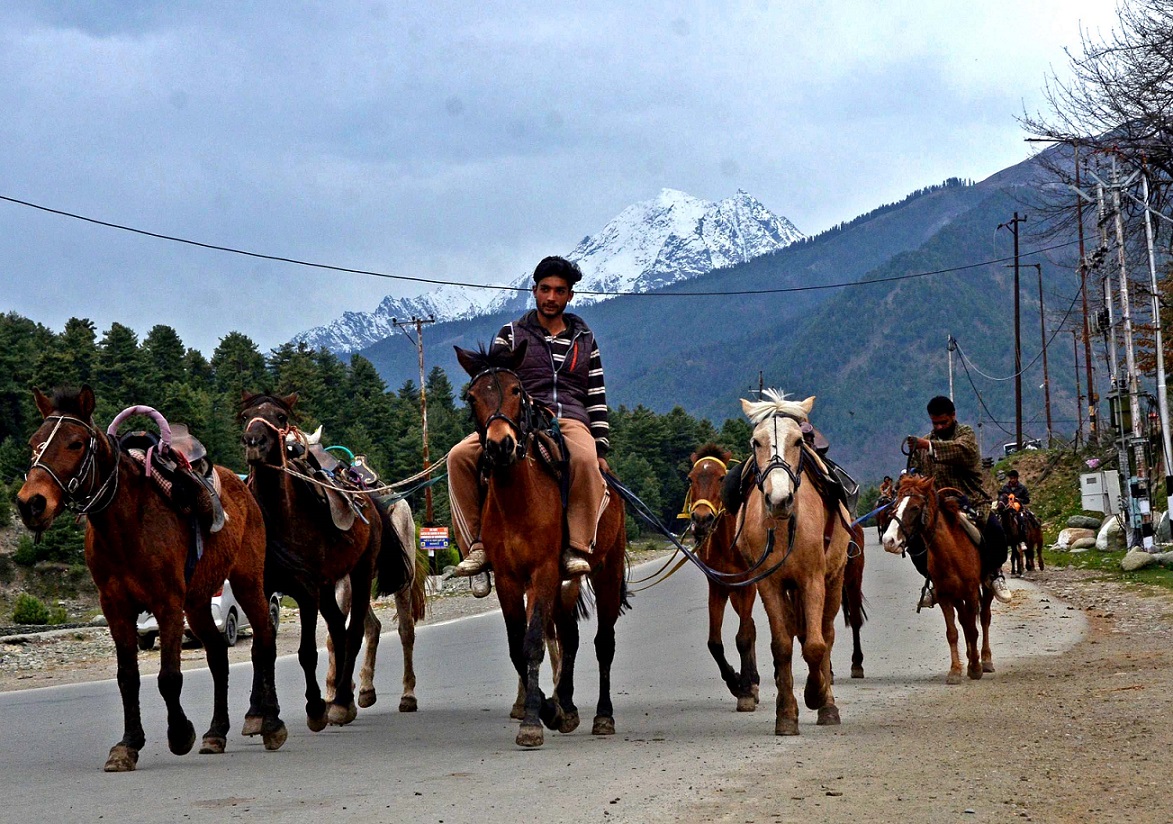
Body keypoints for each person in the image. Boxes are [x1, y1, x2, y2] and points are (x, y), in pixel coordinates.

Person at [447, 255, 611, 597]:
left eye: (559, 291)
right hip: (516, 416)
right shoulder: (511, 334)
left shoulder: (585, 339)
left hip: (569, 417)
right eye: (545, 289)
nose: (551, 297)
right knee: (458, 457)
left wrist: (600, 446)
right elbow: (493, 384)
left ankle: (577, 548)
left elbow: (596, 395)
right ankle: (475, 548)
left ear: (570, 296)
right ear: (534, 290)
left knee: (584, 460)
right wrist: (500, 418)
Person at [905, 395, 1012, 606]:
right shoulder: (924, 443)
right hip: (939, 506)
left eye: (943, 422)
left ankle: (994, 573)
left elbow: (962, 451)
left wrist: (928, 445)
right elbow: (916, 471)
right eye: (935, 423)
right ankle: (934, 581)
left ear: (953, 416)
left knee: (995, 531)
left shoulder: (966, 435)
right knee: (915, 540)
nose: (939, 427)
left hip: (971, 502)